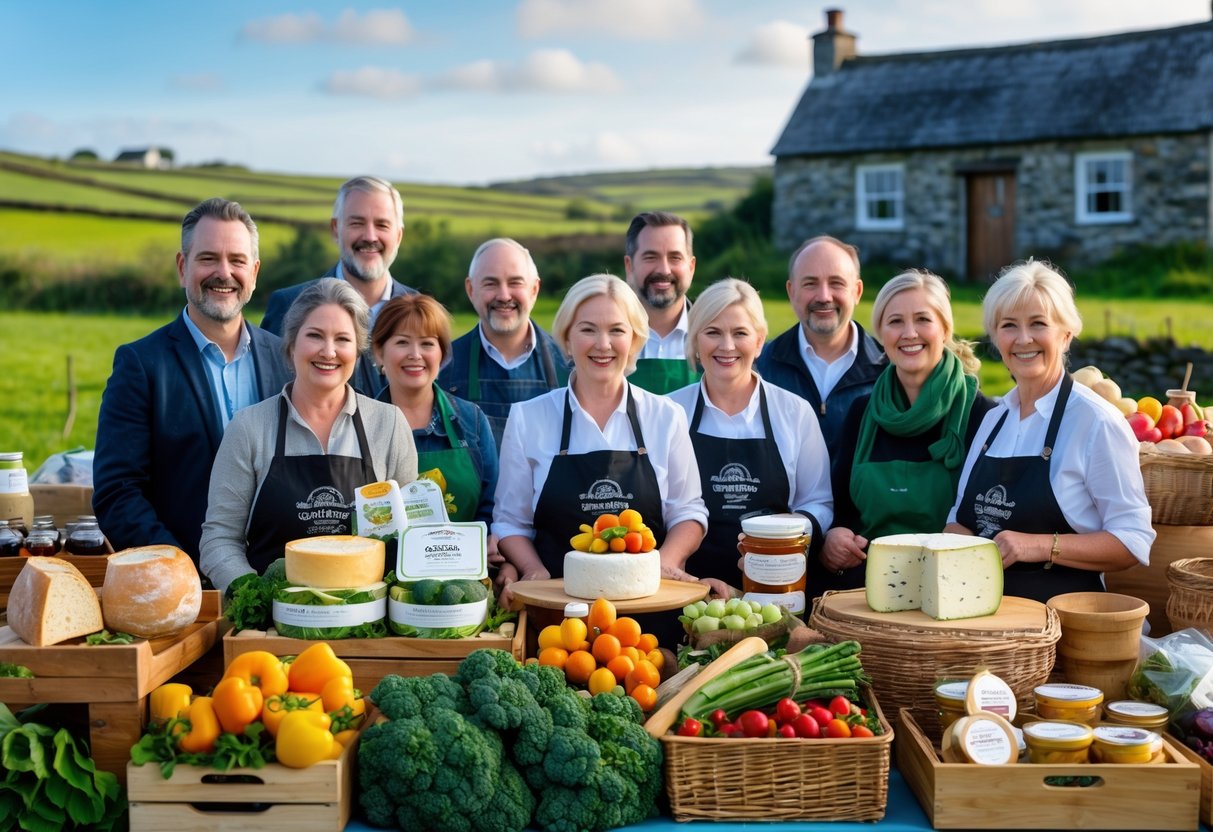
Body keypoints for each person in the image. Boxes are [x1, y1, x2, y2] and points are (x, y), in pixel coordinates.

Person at [493, 274, 722, 604]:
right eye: (588, 329)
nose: (603, 344)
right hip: (557, 609)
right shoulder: (529, 418)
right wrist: (532, 571)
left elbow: (688, 512)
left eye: (617, 330)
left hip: (647, 607)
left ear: (634, 340)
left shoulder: (665, 416)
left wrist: (665, 563)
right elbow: (510, 521)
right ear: (568, 340)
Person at [93, 198, 291, 564]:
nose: (224, 272)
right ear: (183, 267)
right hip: (186, 587)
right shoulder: (141, 364)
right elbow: (117, 493)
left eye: (237, 260)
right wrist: (179, 566)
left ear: (255, 272)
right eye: (208, 258)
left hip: (280, 582)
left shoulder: (287, 362)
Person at [944, 260, 1155, 603]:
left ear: (1066, 334)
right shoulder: (992, 419)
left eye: (1038, 324)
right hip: (982, 614)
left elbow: (1132, 541)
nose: (1023, 339)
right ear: (996, 338)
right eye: (1009, 325)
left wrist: (1038, 545)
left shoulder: (1096, 422)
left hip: (1065, 619)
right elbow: (961, 520)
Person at [200, 278, 417, 593]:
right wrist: (254, 596)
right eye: (315, 335)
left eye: (342, 339)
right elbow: (219, 538)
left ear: (358, 350)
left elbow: (412, 534)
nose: (328, 351)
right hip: (272, 627)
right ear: (291, 344)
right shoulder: (249, 427)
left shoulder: (388, 423)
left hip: (368, 621)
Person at [821, 270, 997, 592]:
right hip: (870, 586)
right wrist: (834, 537)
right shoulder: (862, 413)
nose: (909, 333)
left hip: (951, 589)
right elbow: (840, 509)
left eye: (923, 319)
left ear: (944, 329)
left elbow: (991, 520)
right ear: (881, 336)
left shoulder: (980, 414)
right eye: (896, 322)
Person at [668, 278, 833, 589]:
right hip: (686, 588)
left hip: (776, 591)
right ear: (694, 341)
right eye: (713, 332)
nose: (727, 346)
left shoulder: (794, 412)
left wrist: (778, 541)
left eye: (740, 333)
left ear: (759, 342)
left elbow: (818, 503)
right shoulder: (669, 413)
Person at [260, 176, 416, 395]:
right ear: (335, 229)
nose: (370, 236)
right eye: (357, 223)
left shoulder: (421, 311)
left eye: (382, 224)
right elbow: (269, 393)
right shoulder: (287, 305)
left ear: (398, 235)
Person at [371, 294, 498, 530]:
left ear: (442, 354)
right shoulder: (360, 426)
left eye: (427, 343)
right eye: (402, 342)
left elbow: (493, 506)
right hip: (381, 566)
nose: (415, 354)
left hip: (467, 563)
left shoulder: (473, 421)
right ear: (379, 352)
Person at [756, 235, 886, 454]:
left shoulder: (889, 369)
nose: (824, 296)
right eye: (810, 284)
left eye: (836, 283)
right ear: (791, 291)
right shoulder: (760, 368)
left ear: (857, 291)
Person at [437, 238, 569, 446]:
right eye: (491, 283)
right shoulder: (442, 365)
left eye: (515, 283)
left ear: (534, 289)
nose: (504, 295)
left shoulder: (569, 365)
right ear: (471, 290)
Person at [622, 212, 701, 394]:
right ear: (629, 266)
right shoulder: (605, 342)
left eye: (675, 257)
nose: (664, 269)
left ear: (691, 267)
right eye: (651, 257)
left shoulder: (718, 339)